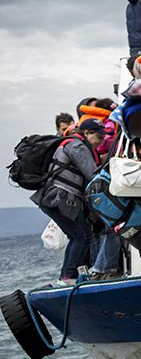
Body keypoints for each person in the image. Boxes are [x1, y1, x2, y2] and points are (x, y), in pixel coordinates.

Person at [30, 119, 105, 284]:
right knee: (83, 236)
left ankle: (68, 277)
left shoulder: (70, 144)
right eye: (99, 136)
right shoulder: (77, 146)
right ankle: (69, 277)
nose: (101, 141)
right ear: (87, 133)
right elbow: (93, 174)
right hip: (62, 197)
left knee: (77, 236)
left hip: (52, 196)